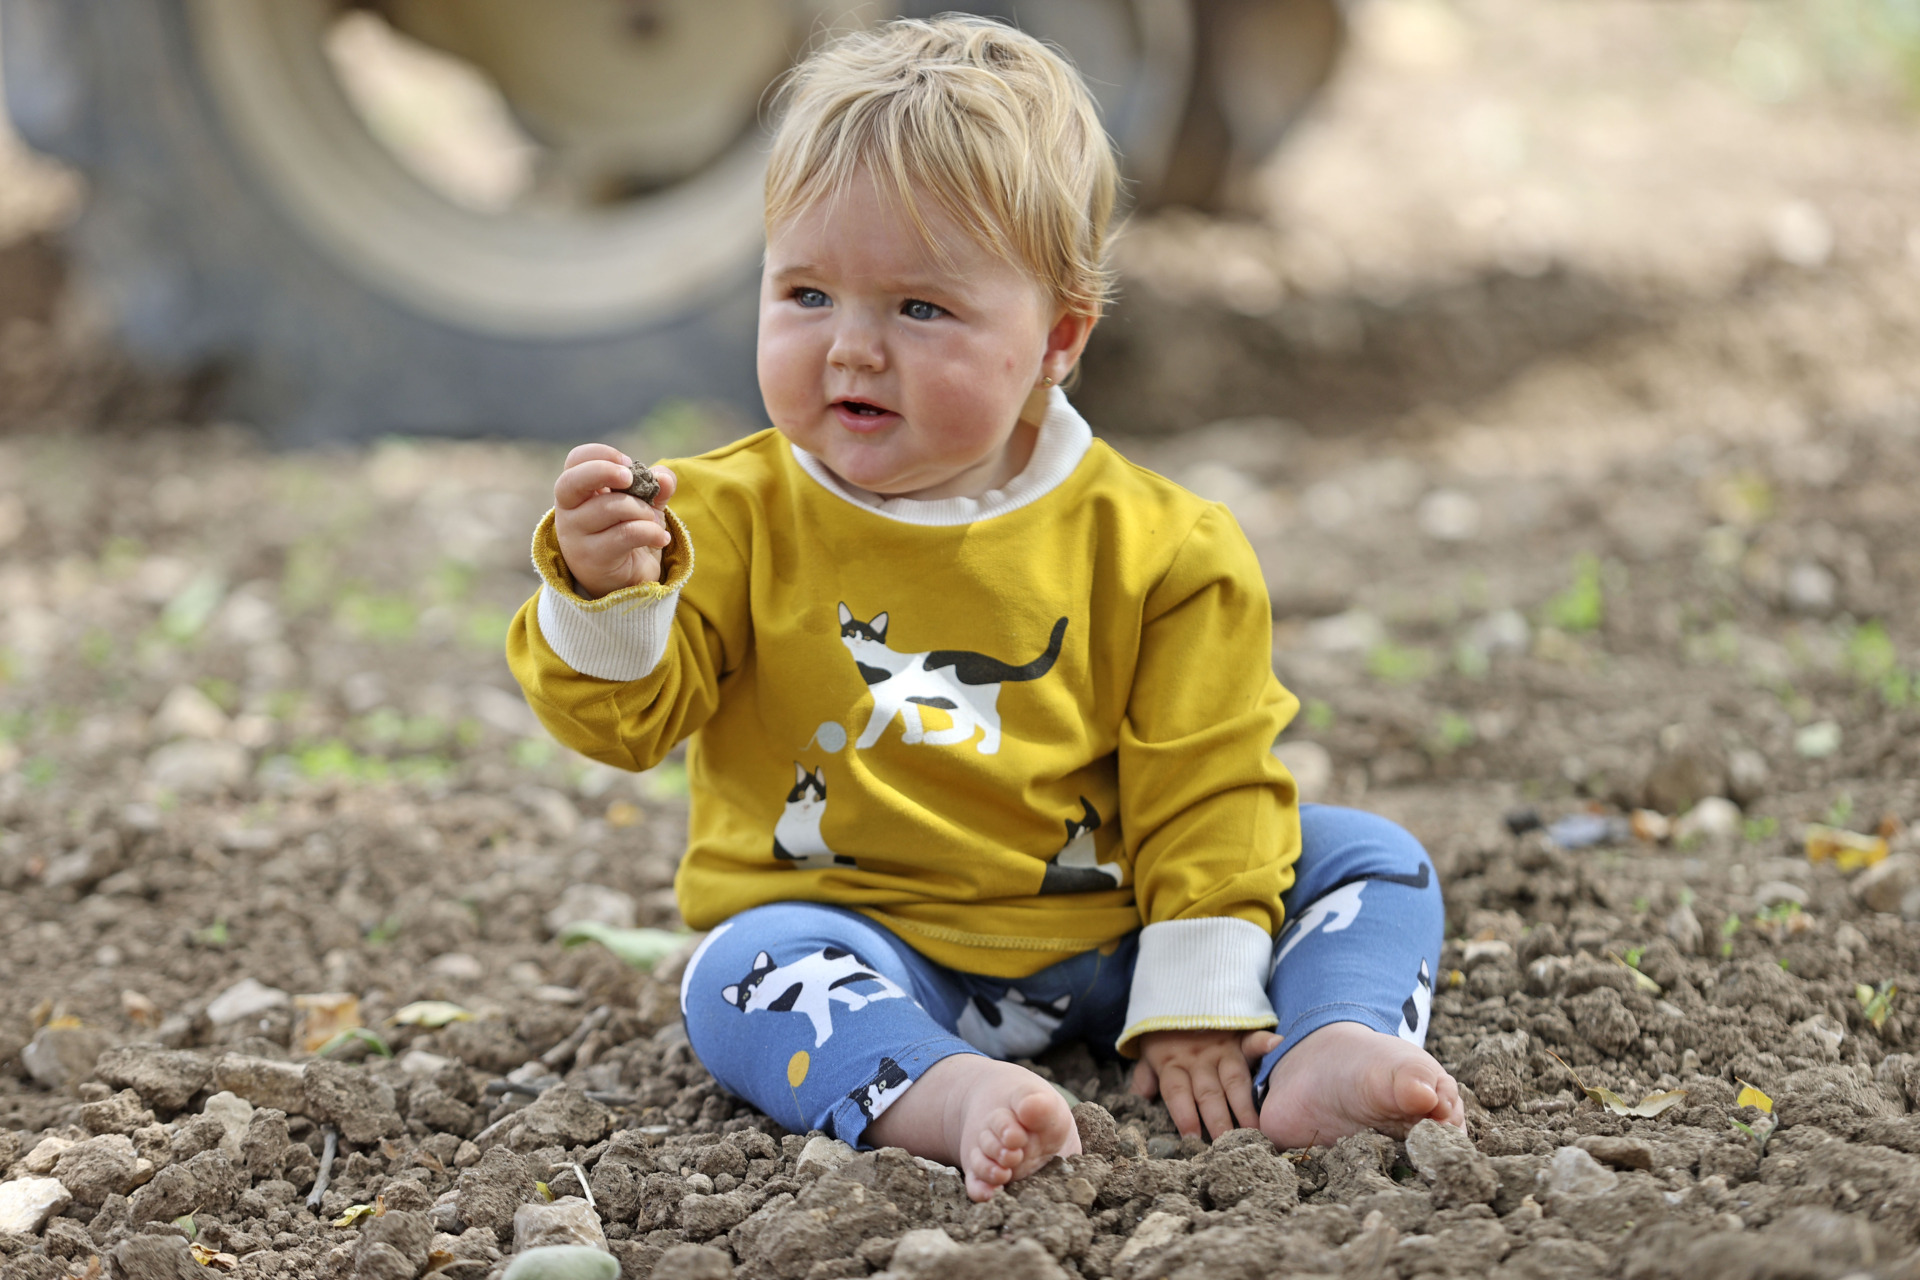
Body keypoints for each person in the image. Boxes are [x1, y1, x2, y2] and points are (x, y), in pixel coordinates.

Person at [507, 15, 1462, 1203]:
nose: (852, 348)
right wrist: (608, 598)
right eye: (806, 292)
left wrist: (1203, 992)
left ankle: (1327, 1039)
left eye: (920, 309)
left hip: (1117, 922)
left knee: (1369, 856)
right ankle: (938, 1087)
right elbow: (623, 726)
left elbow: (1208, 782)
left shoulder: (1162, 547)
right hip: (873, 946)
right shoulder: (722, 517)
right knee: (741, 970)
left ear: (1057, 336)